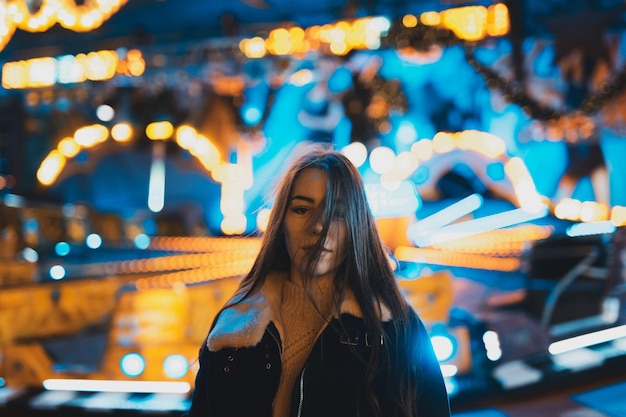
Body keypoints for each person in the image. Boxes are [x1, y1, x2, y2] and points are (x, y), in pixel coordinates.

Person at [186, 144, 450, 417]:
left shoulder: (395, 328)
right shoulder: (235, 322)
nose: (318, 226)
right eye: (302, 209)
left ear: (356, 227)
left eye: (337, 213)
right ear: (281, 221)